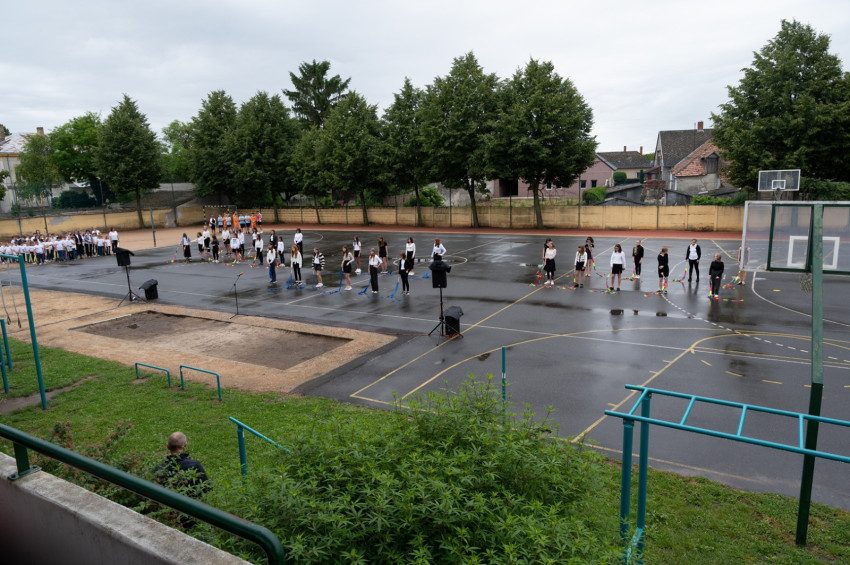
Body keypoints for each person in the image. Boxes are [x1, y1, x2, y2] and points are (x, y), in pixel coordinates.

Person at [154, 432, 210, 526]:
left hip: (168, 516)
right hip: (192, 514)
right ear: (185, 444)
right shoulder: (194, 465)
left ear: (167, 446)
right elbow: (207, 487)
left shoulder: (159, 469)